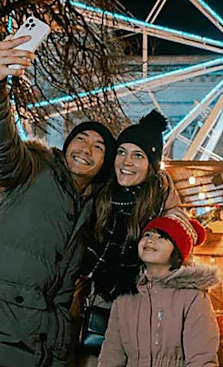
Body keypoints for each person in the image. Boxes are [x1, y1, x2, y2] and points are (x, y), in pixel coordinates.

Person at [0, 35, 116, 367]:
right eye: (81, 139)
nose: (86, 149)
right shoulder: (28, 170)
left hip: (47, 351)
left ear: (104, 164)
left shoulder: (91, 212)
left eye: (98, 147)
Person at [78, 110, 185, 364]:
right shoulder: (97, 196)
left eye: (138, 155)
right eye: (122, 152)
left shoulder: (165, 208)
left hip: (144, 314)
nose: (126, 162)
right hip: (98, 311)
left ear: (151, 165)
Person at [97, 214, 220, 367]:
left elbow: (201, 359)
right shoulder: (125, 295)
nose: (150, 240)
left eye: (162, 237)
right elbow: (112, 353)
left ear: (177, 250)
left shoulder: (192, 297)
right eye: (147, 234)